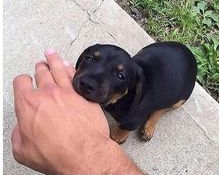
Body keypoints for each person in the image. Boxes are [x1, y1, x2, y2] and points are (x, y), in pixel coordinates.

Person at [12, 48, 143, 175]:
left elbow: (134, 119)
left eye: (120, 76)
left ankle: (157, 114)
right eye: (90, 59)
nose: (88, 82)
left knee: (151, 111)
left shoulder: (134, 105)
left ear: (133, 89)